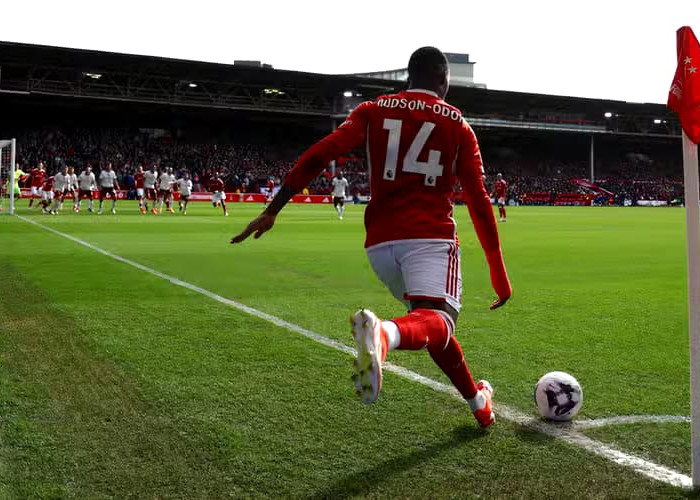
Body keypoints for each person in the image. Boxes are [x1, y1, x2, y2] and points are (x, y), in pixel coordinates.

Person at [231, 47, 512, 428]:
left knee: (428, 321)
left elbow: (318, 155)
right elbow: (478, 199)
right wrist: (498, 272)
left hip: (380, 246)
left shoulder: (373, 109)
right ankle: (383, 334)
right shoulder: (458, 125)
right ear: (444, 80)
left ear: (409, 78)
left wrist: (273, 209)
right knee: (440, 321)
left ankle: (478, 402)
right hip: (430, 238)